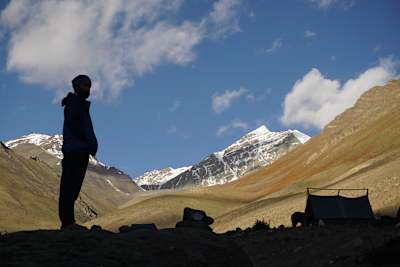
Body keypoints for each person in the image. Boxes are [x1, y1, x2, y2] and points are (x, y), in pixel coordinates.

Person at [59, 74, 98, 230]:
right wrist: (88, 142)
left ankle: (69, 222)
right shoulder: (75, 104)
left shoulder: (80, 105)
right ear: (76, 87)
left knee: (73, 187)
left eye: (89, 85)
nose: (87, 88)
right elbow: (76, 126)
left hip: (81, 151)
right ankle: (67, 223)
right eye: (84, 85)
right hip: (75, 151)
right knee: (69, 187)